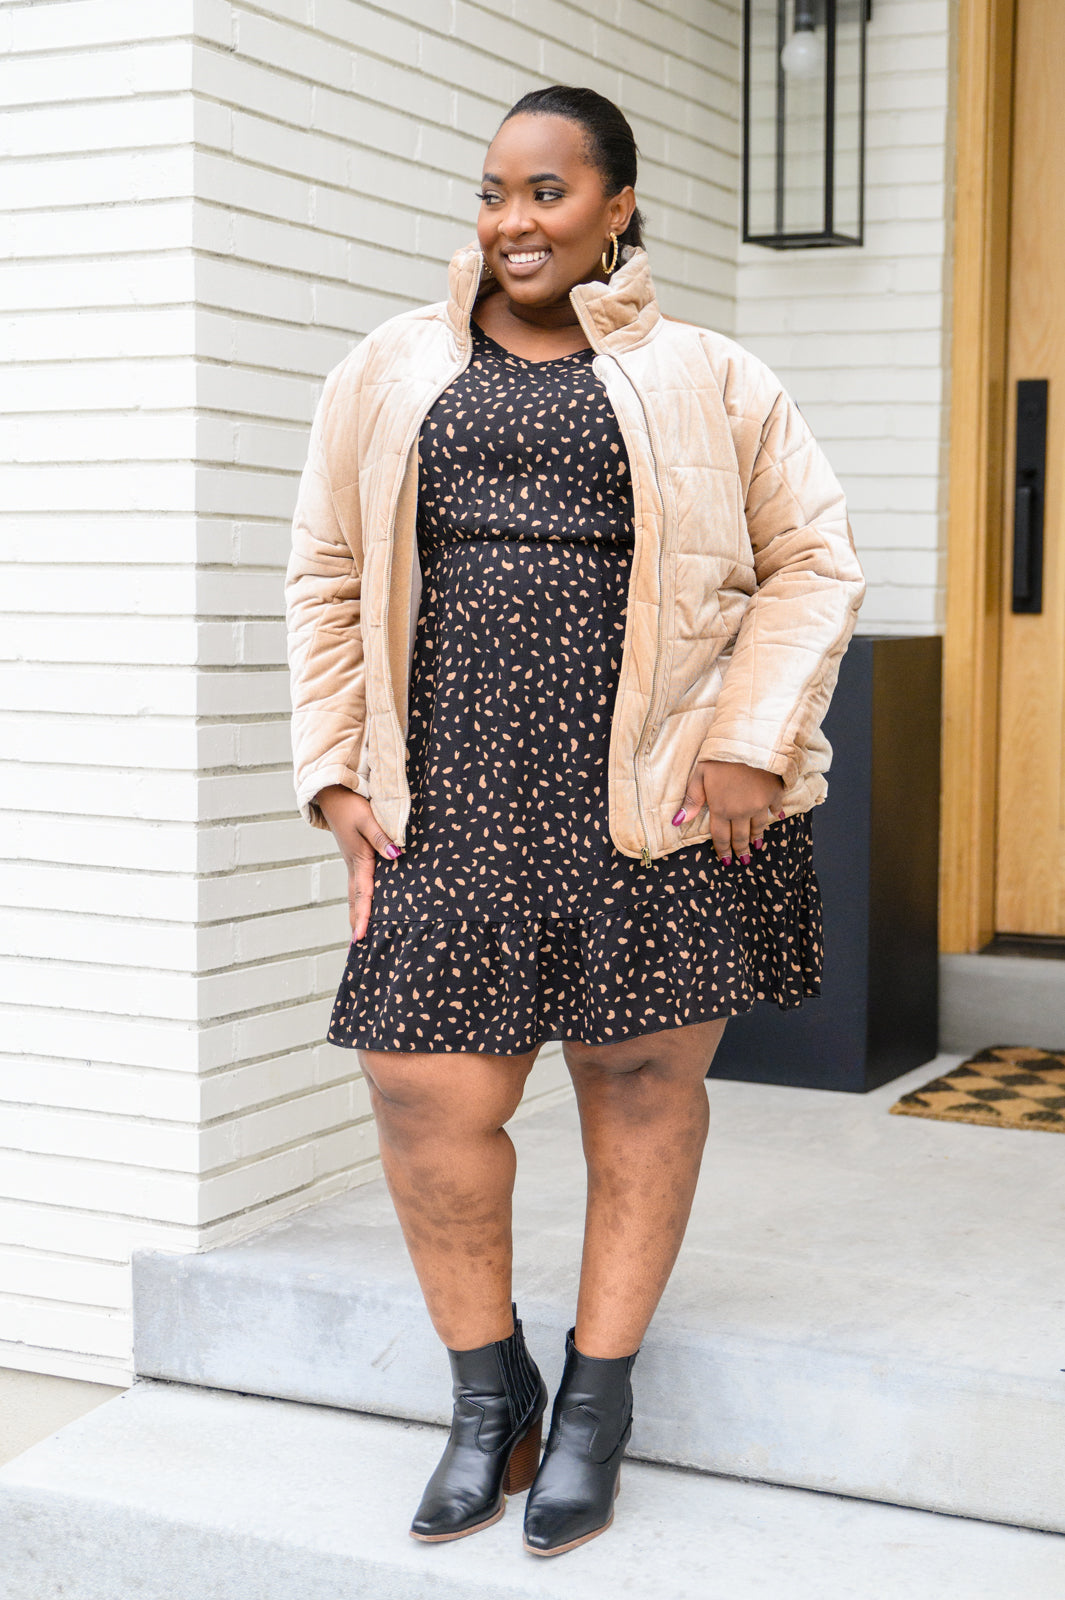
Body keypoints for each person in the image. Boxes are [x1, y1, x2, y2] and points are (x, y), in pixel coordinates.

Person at [285, 84, 865, 1558]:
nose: (512, 221)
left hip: (657, 799)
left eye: (546, 191)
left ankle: (596, 1405)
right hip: (451, 790)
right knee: (422, 1091)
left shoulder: (710, 373)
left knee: (639, 1087)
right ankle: (489, 1396)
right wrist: (337, 771)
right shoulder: (388, 368)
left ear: (616, 205)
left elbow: (813, 560)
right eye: (494, 191)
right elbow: (329, 575)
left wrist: (750, 743)